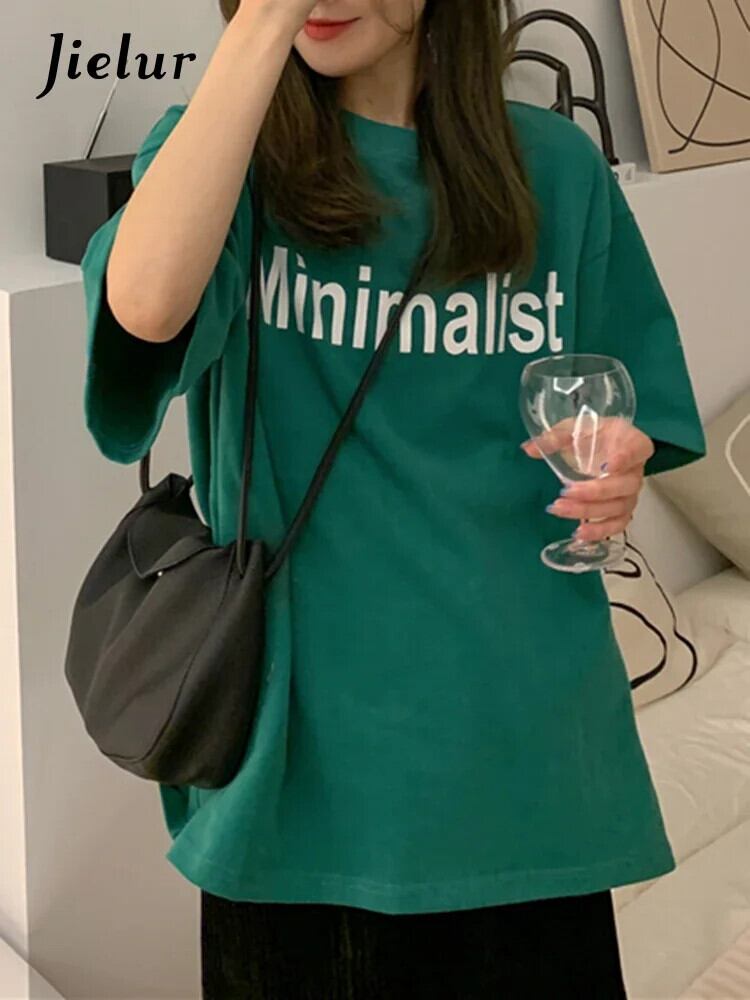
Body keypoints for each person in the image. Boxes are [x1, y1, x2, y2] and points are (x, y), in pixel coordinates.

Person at [78, 0, 707, 996]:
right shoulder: (225, 157)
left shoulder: (557, 168)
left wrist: (620, 457)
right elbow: (147, 305)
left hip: (526, 757)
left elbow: (624, 394)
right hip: (303, 782)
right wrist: (261, 29)